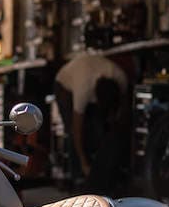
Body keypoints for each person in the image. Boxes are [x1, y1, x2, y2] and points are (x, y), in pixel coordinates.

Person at [52, 53, 130, 193]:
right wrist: (84, 163)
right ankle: (78, 180)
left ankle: (103, 176)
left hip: (89, 71)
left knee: (100, 128)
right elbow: (76, 129)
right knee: (73, 131)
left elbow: (121, 112)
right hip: (64, 85)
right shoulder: (83, 90)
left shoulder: (120, 78)